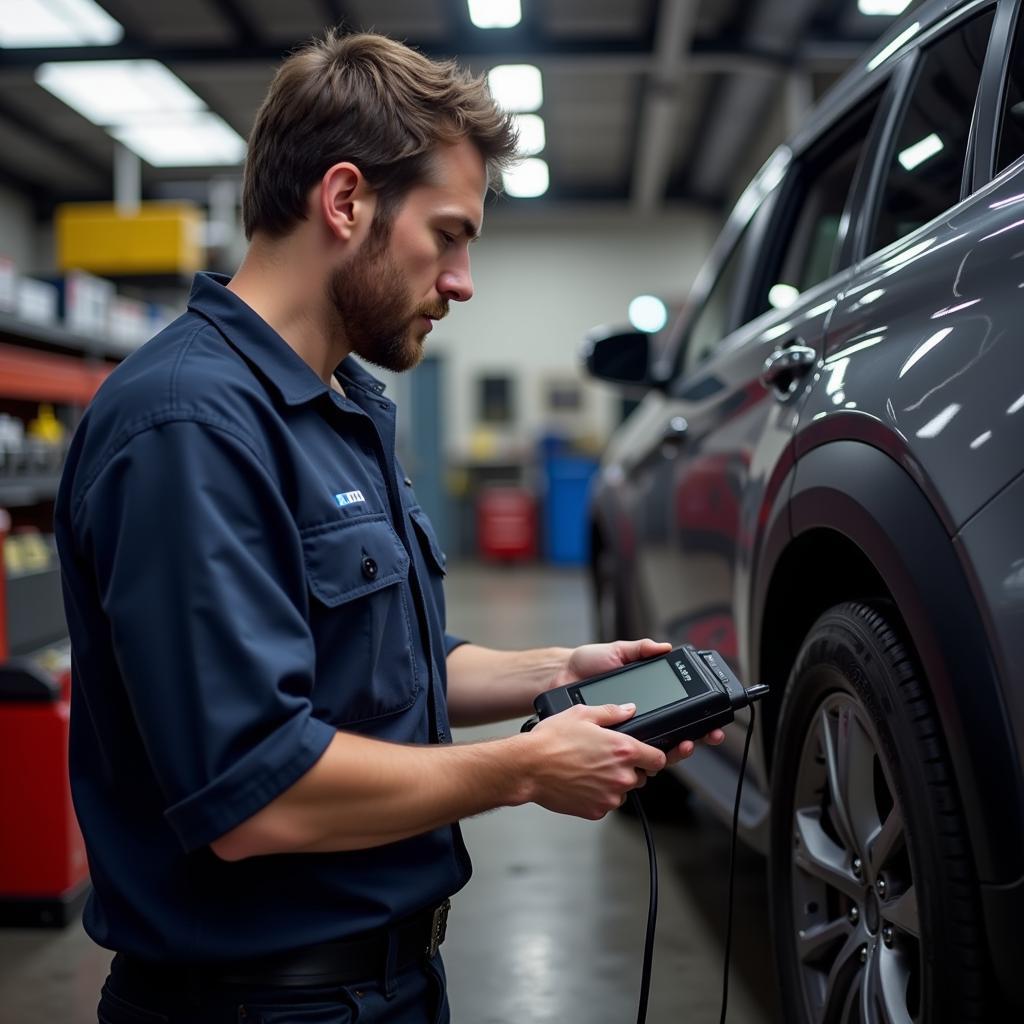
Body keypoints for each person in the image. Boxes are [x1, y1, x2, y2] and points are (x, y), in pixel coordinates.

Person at [54, 30, 725, 1024]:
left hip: (391, 981)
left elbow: (381, 659)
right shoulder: (189, 426)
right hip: (258, 1003)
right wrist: (523, 770)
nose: (460, 281)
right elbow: (253, 791)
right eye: (447, 235)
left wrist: (560, 671)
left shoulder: (341, 408)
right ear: (344, 201)